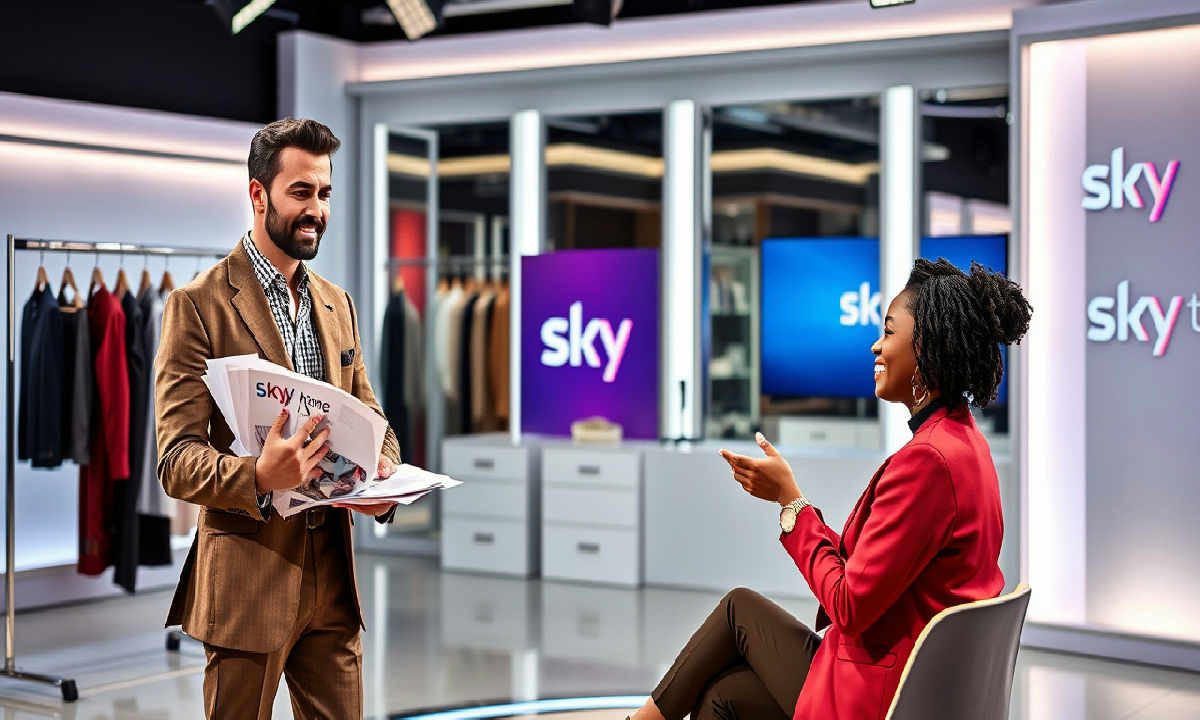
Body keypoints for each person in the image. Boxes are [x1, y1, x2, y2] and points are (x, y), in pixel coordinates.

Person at [629, 258, 1032, 720]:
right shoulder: (965, 444)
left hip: (881, 693)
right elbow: (874, 572)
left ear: (927, 348)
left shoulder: (928, 462)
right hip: (919, 684)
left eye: (889, 332)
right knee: (724, 695)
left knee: (739, 610)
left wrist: (790, 502)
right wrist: (792, 502)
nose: (876, 345)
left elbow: (848, 605)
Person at [155, 118, 402, 719]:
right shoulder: (197, 305)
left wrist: (383, 471)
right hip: (248, 580)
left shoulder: (337, 303)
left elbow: (371, 414)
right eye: (301, 192)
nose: (317, 210)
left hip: (333, 579)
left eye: (324, 193)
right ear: (258, 195)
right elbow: (176, 461)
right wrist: (260, 476)